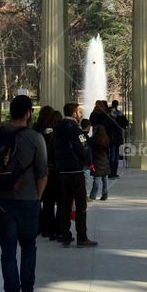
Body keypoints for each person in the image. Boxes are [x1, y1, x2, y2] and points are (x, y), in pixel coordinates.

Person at [0, 94, 48, 292]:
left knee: (7, 251)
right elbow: (42, 173)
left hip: (2, 200)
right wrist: (37, 197)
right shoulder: (35, 138)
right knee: (29, 247)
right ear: (28, 113)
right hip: (28, 200)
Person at [54, 102, 97, 247]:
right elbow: (83, 148)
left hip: (62, 171)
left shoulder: (57, 128)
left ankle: (65, 235)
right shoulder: (75, 130)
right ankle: (82, 237)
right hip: (75, 171)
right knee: (80, 205)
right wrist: (83, 160)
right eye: (79, 112)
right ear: (73, 113)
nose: (80, 114)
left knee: (64, 204)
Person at [39, 108, 62, 238]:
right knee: (60, 202)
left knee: (48, 202)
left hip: (46, 171)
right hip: (58, 172)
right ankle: (59, 229)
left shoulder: (42, 134)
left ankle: (48, 228)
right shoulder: (60, 135)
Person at [89, 124, 111, 201]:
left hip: (96, 162)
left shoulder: (92, 140)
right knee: (105, 180)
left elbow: (90, 152)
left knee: (96, 181)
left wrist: (90, 162)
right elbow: (108, 152)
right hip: (105, 161)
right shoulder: (106, 139)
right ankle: (105, 195)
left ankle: (93, 195)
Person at [108, 100, 125, 179]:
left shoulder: (114, 114)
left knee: (113, 155)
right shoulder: (116, 114)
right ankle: (113, 173)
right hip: (114, 137)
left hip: (113, 137)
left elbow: (124, 123)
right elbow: (125, 124)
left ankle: (113, 172)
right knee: (114, 156)